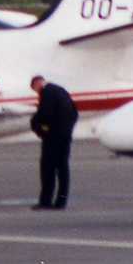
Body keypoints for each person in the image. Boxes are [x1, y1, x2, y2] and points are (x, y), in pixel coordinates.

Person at [29, 75, 78, 210]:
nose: (37, 93)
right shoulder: (61, 90)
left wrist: (36, 125)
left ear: (37, 85)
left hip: (53, 136)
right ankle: (61, 201)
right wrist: (66, 129)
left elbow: (45, 113)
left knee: (48, 168)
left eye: (35, 90)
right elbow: (74, 113)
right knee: (62, 168)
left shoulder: (47, 92)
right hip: (65, 135)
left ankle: (46, 201)